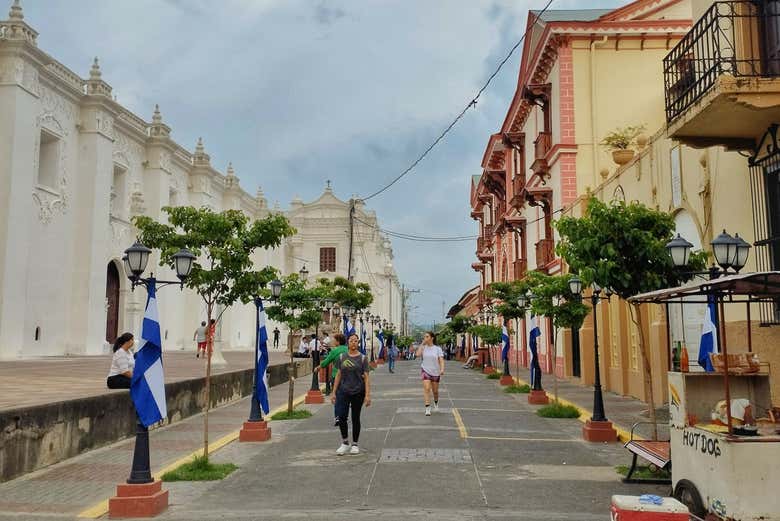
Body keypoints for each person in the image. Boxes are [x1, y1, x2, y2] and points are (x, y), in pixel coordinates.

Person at [331, 333, 371, 455]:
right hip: (343, 391)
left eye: (355, 341)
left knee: (355, 418)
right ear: (348, 342)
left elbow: (367, 378)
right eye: (351, 340)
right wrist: (333, 392)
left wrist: (367, 395)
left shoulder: (363, 358)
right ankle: (345, 442)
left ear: (358, 343)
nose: (353, 343)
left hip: (358, 392)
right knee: (342, 417)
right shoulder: (342, 357)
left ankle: (355, 444)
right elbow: (338, 375)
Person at [321, 333, 347, 426]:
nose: (333, 341)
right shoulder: (349, 350)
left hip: (336, 376)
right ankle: (345, 416)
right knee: (346, 398)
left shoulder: (335, 351)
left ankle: (337, 418)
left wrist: (319, 366)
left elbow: (325, 363)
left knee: (337, 397)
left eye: (334, 339)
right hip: (348, 377)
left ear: (338, 341)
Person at [415, 332, 445, 416]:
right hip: (425, 370)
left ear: (432, 338)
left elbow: (441, 360)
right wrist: (422, 344)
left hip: (435, 372)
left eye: (427, 336)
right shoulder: (424, 347)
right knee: (427, 388)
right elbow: (417, 354)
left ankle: (436, 403)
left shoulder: (437, 349)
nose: (425, 338)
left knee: (435, 391)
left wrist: (442, 369)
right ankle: (427, 408)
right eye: (424, 337)